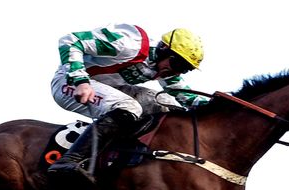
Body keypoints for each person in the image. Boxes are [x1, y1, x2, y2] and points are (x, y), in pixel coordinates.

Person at [48, 23, 207, 181]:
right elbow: (71, 40)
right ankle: (69, 160)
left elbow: (186, 97)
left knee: (167, 104)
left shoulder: (166, 68)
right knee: (129, 107)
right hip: (68, 83)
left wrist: (221, 104)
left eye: (185, 69)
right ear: (163, 49)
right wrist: (80, 81)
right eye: (178, 64)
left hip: (107, 87)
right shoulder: (130, 43)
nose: (178, 71)